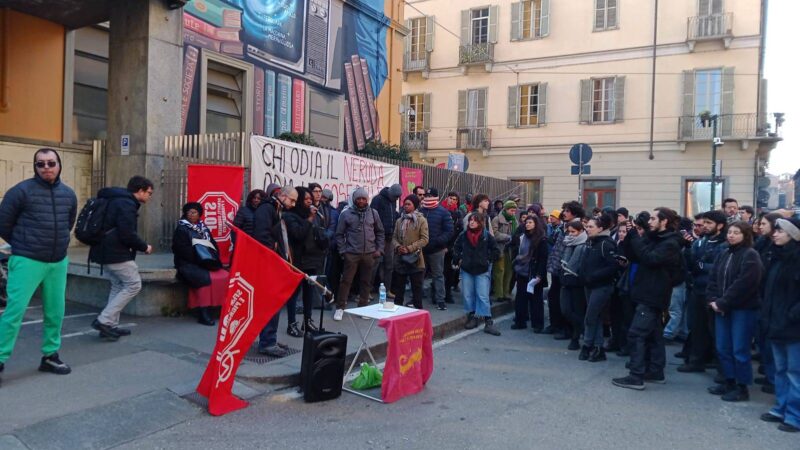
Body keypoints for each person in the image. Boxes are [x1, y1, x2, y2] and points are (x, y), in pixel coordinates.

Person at [0, 148, 78, 379]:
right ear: (35, 167)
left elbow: (68, 223)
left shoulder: (68, 194)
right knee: (14, 312)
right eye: (40, 164)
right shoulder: (20, 191)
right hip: (27, 260)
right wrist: (23, 244)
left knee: (56, 311)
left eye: (50, 163)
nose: (46, 167)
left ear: (59, 165)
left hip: (57, 261)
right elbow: (3, 223)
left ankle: (50, 356)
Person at [612, 207, 682, 390]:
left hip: (653, 294)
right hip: (645, 292)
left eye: (653, 218)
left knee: (636, 334)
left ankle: (636, 376)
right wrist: (630, 234)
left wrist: (636, 238)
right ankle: (655, 371)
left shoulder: (671, 243)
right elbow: (634, 255)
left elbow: (650, 258)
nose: (649, 222)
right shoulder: (653, 238)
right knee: (653, 334)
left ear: (664, 221)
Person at [89, 176, 154, 341]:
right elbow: (127, 233)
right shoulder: (126, 204)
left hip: (103, 250)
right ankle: (104, 320)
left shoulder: (115, 199)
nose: (149, 196)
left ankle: (110, 324)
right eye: (149, 193)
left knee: (118, 285)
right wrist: (144, 246)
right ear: (139, 191)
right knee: (134, 284)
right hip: (115, 252)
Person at [705, 221, 763, 402]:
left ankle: (742, 386)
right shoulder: (724, 253)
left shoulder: (750, 255)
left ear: (745, 235)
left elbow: (744, 284)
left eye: (736, 233)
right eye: (730, 232)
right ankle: (728, 381)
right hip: (721, 308)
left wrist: (723, 302)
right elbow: (713, 279)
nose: (731, 235)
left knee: (739, 349)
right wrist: (713, 300)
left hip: (742, 309)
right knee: (723, 347)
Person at [759, 217, 800, 433]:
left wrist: (791, 315)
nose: (774, 234)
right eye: (774, 231)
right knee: (780, 369)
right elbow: (767, 290)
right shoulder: (776, 257)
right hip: (775, 322)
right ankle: (781, 407)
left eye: (780, 231)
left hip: (793, 326)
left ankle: (795, 415)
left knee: (795, 372)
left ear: (792, 235)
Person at [679, 210, 728, 373]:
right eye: (704, 223)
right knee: (697, 327)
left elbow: (721, 267)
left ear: (720, 226)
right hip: (698, 289)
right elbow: (692, 262)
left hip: (714, 293)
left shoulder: (725, 244)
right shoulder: (701, 242)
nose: (705, 226)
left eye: (709, 223)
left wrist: (702, 267)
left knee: (716, 331)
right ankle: (696, 361)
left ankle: (723, 369)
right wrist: (686, 249)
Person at [172, 202, 229, 326]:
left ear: (199, 215)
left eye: (194, 212)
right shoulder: (181, 228)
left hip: (205, 261)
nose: (191, 214)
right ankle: (203, 312)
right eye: (189, 212)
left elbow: (213, 243)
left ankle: (220, 308)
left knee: (224, 275)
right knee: (204, 278)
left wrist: (213, 257)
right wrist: (200, 260)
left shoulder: (203, 227)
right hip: (187, 262)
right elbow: (180, 250)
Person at [253, 183, 293, 358]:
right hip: (268, 264)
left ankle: (270, 339)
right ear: (282, 196)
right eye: (292, 200)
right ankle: (267, 342)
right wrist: (275, 251)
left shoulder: (276, 209)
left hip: (275, 264)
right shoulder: (266, 210)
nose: (292, 204)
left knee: (275, 305)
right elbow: (262, 238)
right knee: (271, 305)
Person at [333, 187, 384, 320]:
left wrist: (379, 249)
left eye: (364, 198)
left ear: (367, 200)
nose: (361, 201)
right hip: (352, 254)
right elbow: (339, 234)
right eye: (359, 198)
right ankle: (340, 308)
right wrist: (344, 251)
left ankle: (363, 308)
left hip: (369, 254)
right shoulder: (346, 214)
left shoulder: (373, 213)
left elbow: (380, 232)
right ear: (354, 199)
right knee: (346, 281)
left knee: (366, 282)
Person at [282, 186, 327, 336]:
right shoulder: (290, 216)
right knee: (294, 294)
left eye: (310, 199)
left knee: (309, 292)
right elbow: (298, 234)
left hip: (312, 260)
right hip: (297, 261)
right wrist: (309, 220)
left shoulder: (311, 215)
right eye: (306, 199)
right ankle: (292, 324)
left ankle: (307, 322)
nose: (310, 201)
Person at [453, 212, 501, 336]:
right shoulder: (464, 235)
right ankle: (472, 316)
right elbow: (456, 247)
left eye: (474, 220)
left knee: (482, 295)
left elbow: (496, 250)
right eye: (470, 220)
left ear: (480, 222)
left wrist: (488, 260)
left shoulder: (486, 236)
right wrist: (458, 258)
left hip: (482, 269)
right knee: (467, 294)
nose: (471, 222)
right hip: (467, 268)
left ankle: (488, 321)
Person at [579, 214, 619, 362]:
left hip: (602, 286)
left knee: (591, 317)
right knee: (594, 317)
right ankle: (597, 348)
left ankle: (589, 346)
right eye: (587, 226)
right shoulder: (591, 242)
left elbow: (612, 266)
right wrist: (584, 276)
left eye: (591, 227)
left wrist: (593, 276)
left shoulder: (606, 244)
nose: (587, 229)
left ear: (600, 228)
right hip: (589, 285)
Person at [391, 195, 429, 309]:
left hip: (415, 260)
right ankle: (397, 316)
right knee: (399, 292)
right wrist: (398, 247)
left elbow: (424, 239)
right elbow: (394, 237)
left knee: (416, 291)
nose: (406, 206)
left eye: (409, 204)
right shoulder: (399, 220)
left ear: (415, 206)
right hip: (400, 260)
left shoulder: (421, 220)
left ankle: (418, 319)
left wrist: (409, 248)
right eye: (405, 204)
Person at [511, 215, 548, 331]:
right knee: (520, 298)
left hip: (534, 272)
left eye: (530, 222)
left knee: (536, 300)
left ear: (536, 224)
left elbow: (543, 258)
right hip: (522, 271)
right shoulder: (523, 237)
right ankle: (520, 321)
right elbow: (517, 251)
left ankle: (537, 325)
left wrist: (539, 274)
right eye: (526, 222)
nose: (527, 224)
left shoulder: (541, 239)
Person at [420, 188, 454, 310]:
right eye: (426, 195)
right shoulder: (420, 211)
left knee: (438, 275)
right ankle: (416, 298)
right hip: (421, 249)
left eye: (430, 195)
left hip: (436, 250)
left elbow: (449, 231)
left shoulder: (443, 212)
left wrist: (437, 242)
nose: (428, 197)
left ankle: (440, 300)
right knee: (418, 275)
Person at [560, 220, 588, 351]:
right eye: (569, 231)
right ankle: (584, 329)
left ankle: (576, 338)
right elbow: (563, 261)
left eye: (574, 232)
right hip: (566, 281)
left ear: (581, 231)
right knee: (566, 310)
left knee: (578, 311)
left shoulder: (585, 245)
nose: (570, 235)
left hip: (578, 283)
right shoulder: (567, 243)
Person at [370, 184, 402, 295]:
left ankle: (387, 290)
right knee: (374, 265)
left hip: (390, 237)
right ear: (390, 194)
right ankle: (367, 291)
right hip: (378, 238)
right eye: (395, 197)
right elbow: (372, 217)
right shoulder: (377, 200)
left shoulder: (393, 201)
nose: (397, 199)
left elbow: (393, 215)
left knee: (389, 265)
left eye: (398, 197)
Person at [544, 209, 566, 336]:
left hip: (562, 268)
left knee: (559, 298)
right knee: (553, 296)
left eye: (554, 216)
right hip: (555, 266)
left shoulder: (564, 230)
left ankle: (560, 326)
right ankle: (554, 324)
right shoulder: (557, 229)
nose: (551, 218)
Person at [491, 200, 518, 302]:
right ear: (506, 209)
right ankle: (499, 294)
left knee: (509, 271)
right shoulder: (497, 219)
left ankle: (506, 293)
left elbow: (517, 231)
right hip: (500, 249)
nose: (513, 213)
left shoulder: (514, 220)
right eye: (511, 210)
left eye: (514, 211)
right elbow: (494, 233)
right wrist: (508, 237)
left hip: (510, 249)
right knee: (499, 271)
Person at [442, 192, 464, 303]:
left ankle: (448, 293)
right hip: (441, 246)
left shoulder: (458, 213)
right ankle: (438, 294)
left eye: (455, 199)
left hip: (452, 247)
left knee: (450, 272)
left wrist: (452, 247)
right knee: (440, 272)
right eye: (451, 198)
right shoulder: (441, 210)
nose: (452, 201)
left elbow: (459, 231)